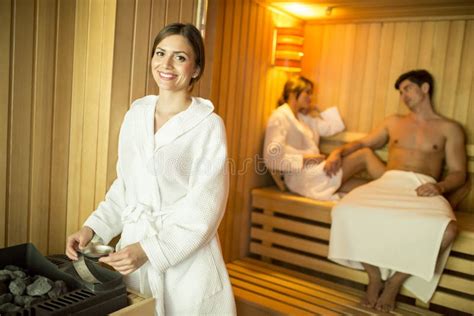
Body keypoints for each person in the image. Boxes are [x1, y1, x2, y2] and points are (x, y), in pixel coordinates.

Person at [65, 23, 236, 316]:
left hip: (186, 261)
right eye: (160, 53)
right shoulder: (136, 115)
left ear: (195, 69)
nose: (166, 64)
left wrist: (149, 251)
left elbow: (205, 212)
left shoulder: (208, 125)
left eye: (180, 57)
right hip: (134, 250)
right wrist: (93, 229)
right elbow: (126, 186)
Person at [326, 69, 466, 312]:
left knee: (448, 230)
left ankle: (394, 283)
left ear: (425, 88)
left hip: (423, 187)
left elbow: (459, 172)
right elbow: (363, 143)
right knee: (343, 210)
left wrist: (439, 186)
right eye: (401, 92)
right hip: (388, 183)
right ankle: (373, 277)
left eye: (408, 89)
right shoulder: (394, 122)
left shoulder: (448, 128)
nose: (403, 95)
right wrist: (338, 152)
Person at [264, 75, 385, 200]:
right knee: (364, 154)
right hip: (302, 177)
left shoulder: (304, 119)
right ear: (294, 93)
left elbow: (335, 126)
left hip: (316, 172)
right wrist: (308, 160)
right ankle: (398, 185)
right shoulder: (279, 117)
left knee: (365, 186)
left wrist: (317, 109)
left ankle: (396, 195)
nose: (311, 98)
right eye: (308, 93)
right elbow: (271, 159)